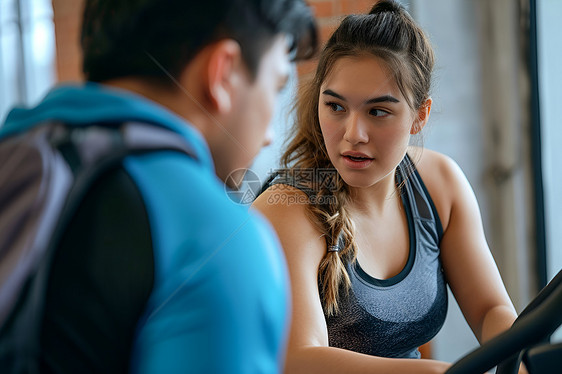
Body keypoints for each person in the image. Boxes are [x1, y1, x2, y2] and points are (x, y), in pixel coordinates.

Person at [0, 0, 316, 373]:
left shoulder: (15, 156)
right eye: (277, 86)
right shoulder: (220, 238)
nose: (269, 135)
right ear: (223, 73)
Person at [253, 1, 523, 373]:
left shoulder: (439, 183)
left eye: (378, 111)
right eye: (335, 107)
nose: (353, 134)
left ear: (419, 116)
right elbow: (299, 359)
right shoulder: (285, 208)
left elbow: (491, 310)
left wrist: (520, 362)